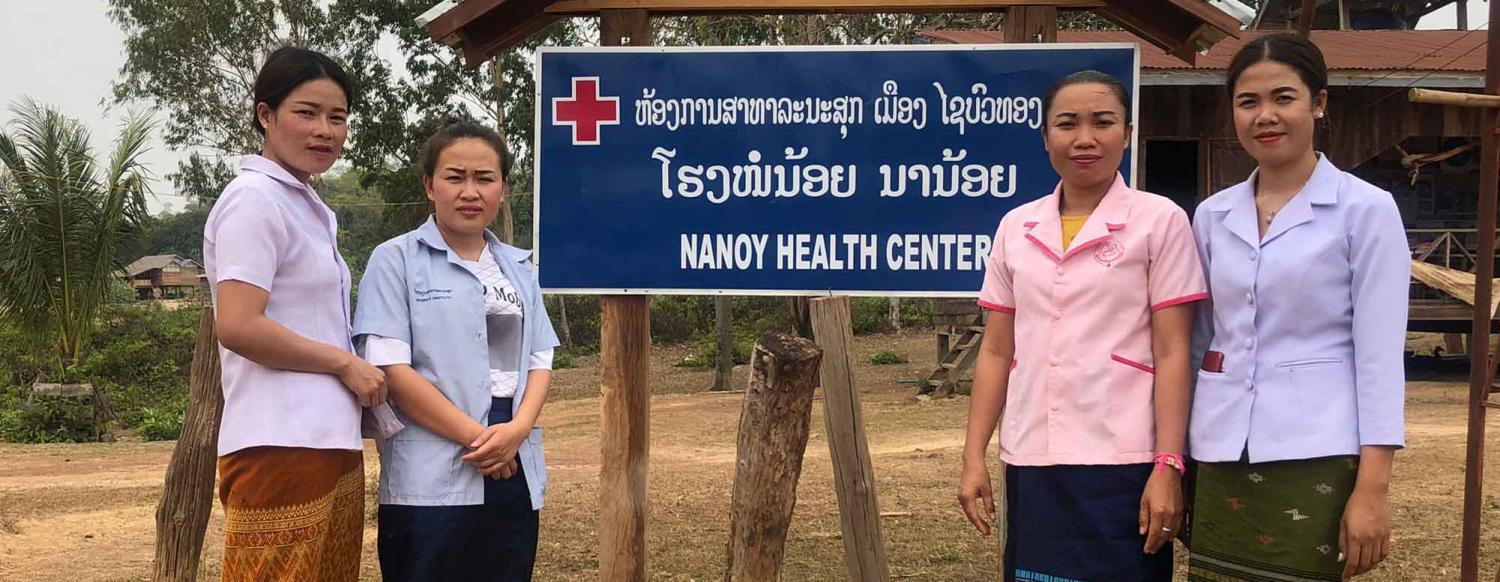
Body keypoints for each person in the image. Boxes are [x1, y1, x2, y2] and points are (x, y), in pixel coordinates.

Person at [956, 70, 1207, 581]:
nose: (1085, 138)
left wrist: (1168, 463)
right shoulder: (1016, 227)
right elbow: (997, 351)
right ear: (1045, 136)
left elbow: (1173, 351)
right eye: (1067, 124)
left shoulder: (1159, 220)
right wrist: (973, 455)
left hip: (1124, 457)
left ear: (1128, 134)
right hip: (1034, 456)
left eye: (1103, 122)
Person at [1187, 33, 1407, 581]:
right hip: (1220, 449)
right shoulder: (1212, 216)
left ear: (1319, 102)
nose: (1265, 116)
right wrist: (1178, 457)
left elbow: (1379, 358)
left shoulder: (1366, 210)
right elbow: (1201, 341)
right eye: (1248, 102)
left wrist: (1373, 489)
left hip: (1318, 451)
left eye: (1283, 98)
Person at [354, 120, 560, 581]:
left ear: (503, 189)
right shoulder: (396, 260)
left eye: (485, 178)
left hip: (512, 460)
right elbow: (392, 370)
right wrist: (483, 441)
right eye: (455, 177)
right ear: (430, 186)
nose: (470, 191)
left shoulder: (520, 269)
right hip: (433, 470)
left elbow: (539, 359)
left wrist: (516, 432)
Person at [203, 46, 379, 581]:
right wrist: (343, 363)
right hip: (277, 441)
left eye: (337, 117)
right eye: (307, 113)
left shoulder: (305, 205)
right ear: (266, 114)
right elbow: (239, 325)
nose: (324, 130)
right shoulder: (253, 199)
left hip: (329, 439)